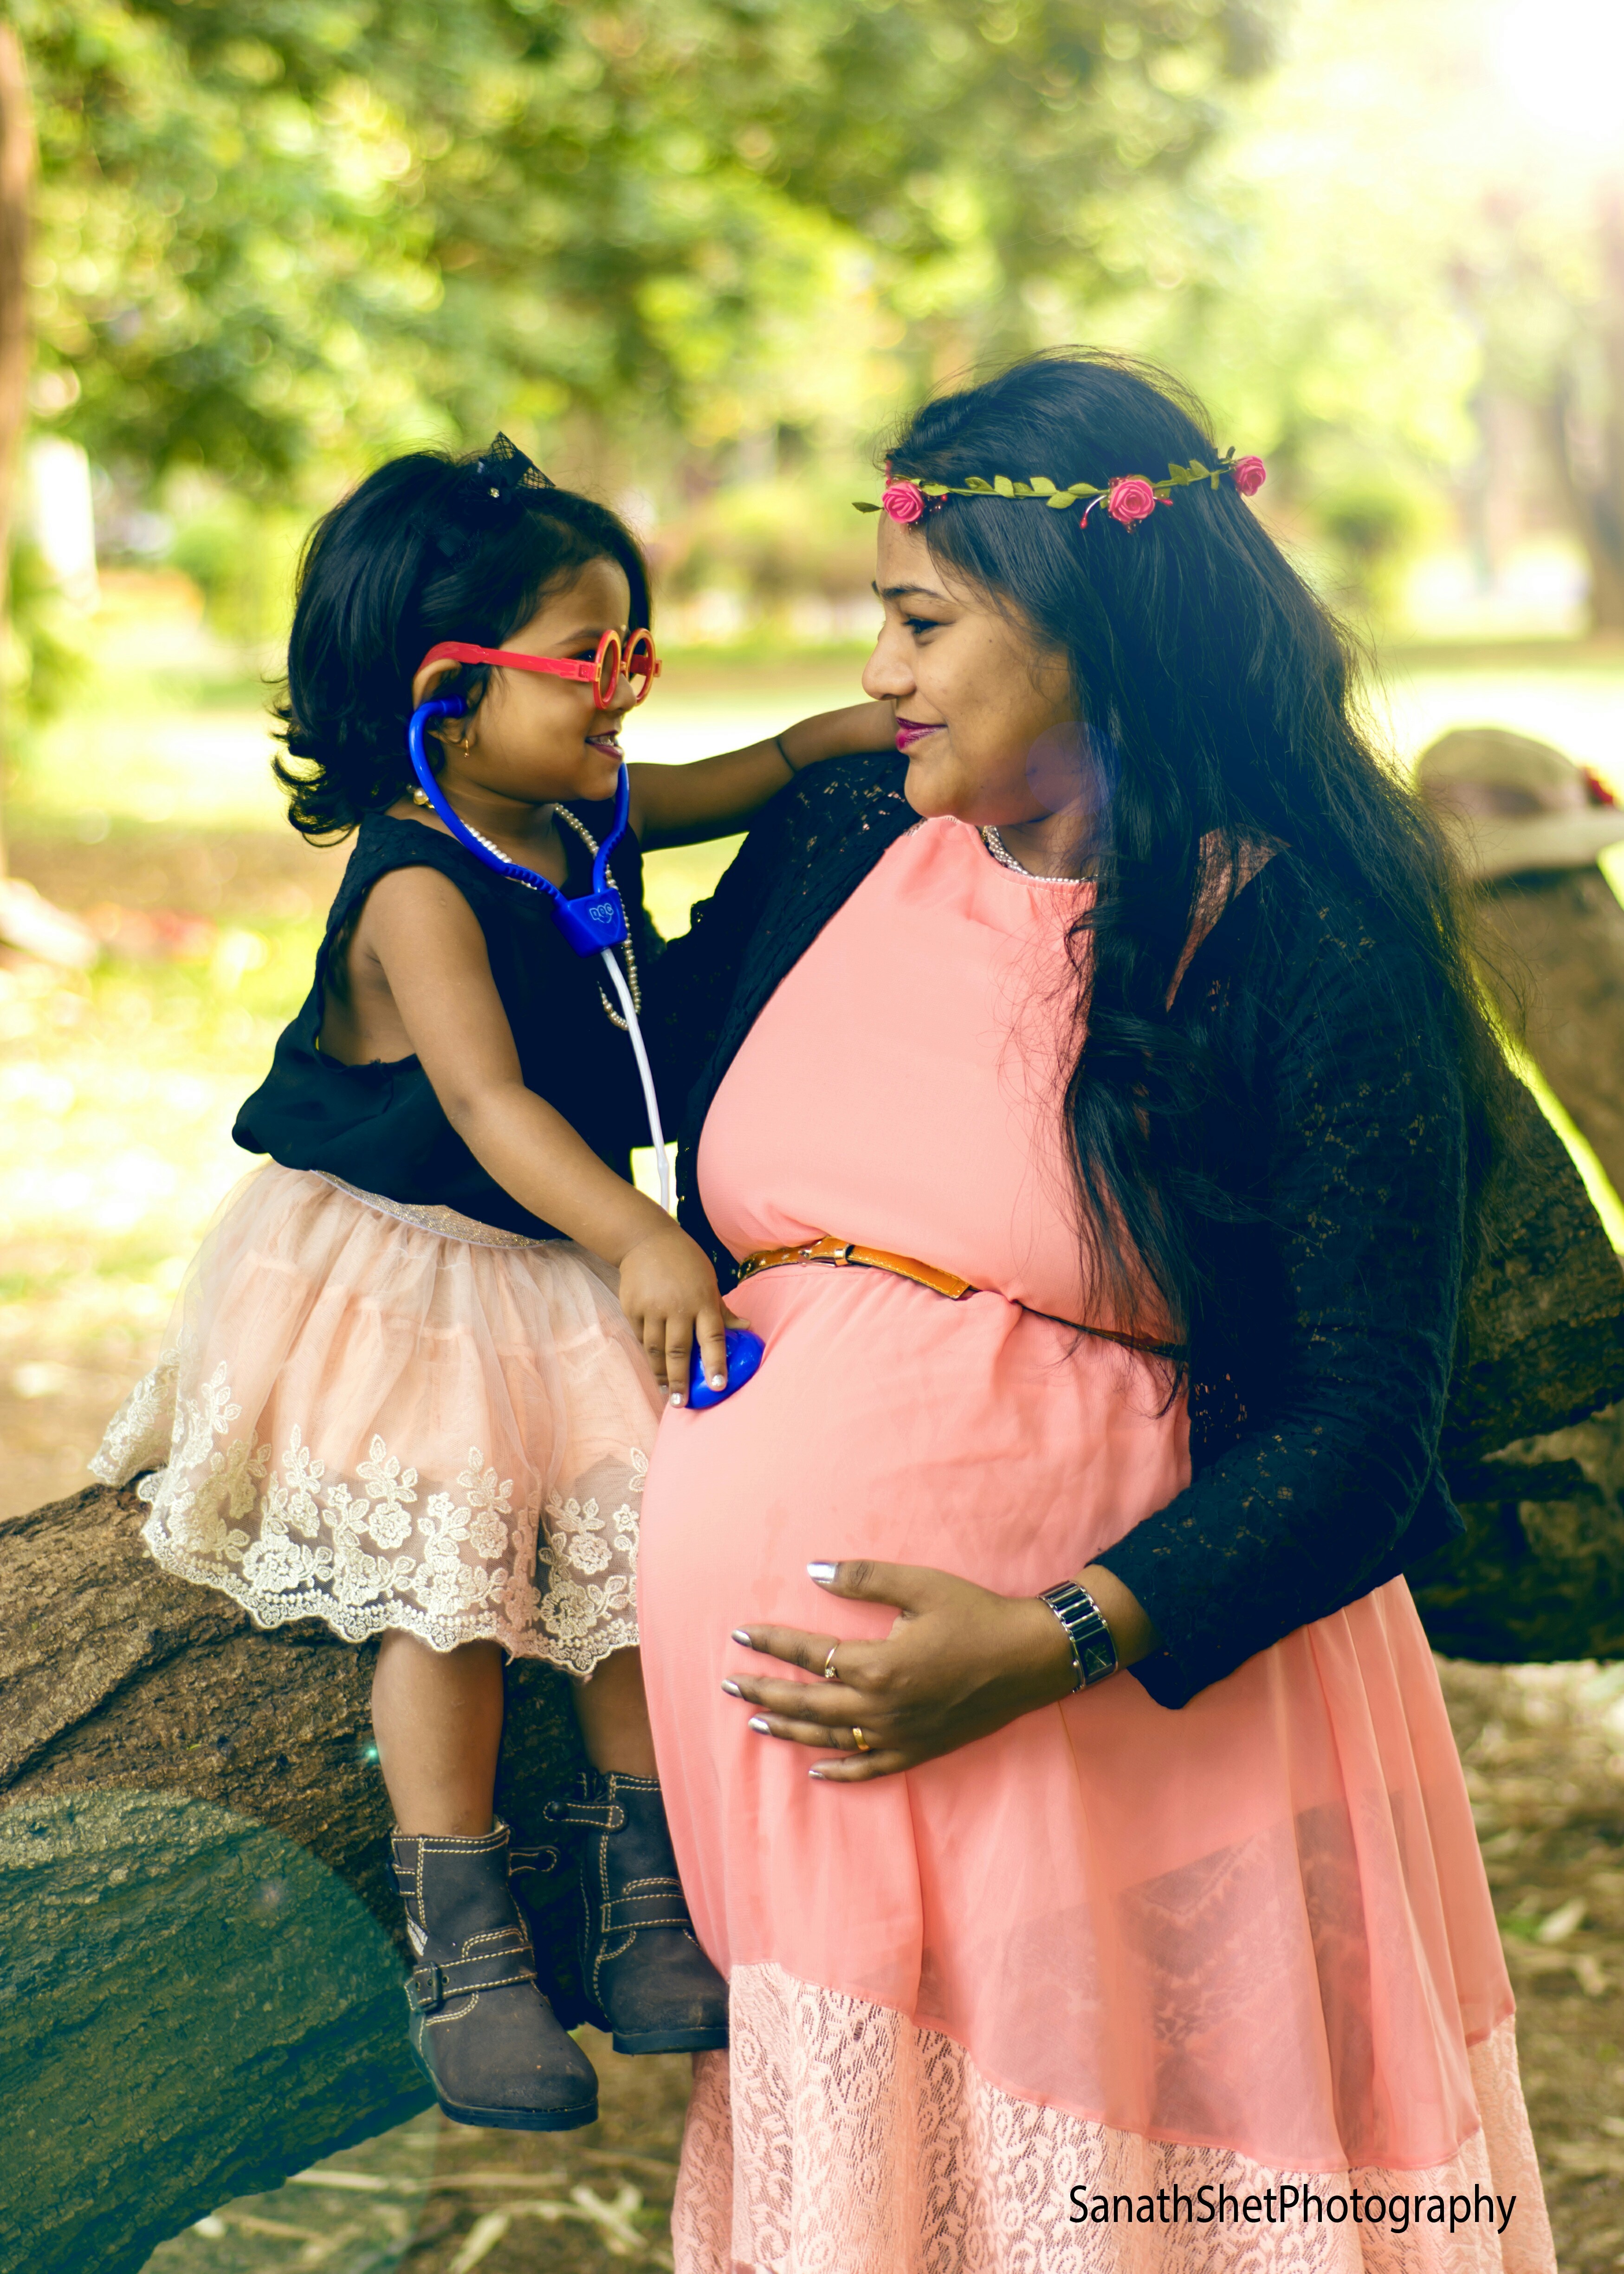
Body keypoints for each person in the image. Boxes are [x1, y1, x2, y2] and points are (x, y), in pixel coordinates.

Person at [640, 354, 1555, 2269]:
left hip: (1133, 1741)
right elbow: (602, 1066)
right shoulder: (843, 837)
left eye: (920, 623)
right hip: (814, 1812)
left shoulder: (1300, 934)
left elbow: (1362, 1426)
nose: (876, 672)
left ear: (1093, 627)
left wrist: (1049, 1635)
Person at [93, 435, 893, 2137]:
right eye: (589, 658)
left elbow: (745, 774)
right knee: (449, 1588)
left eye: (634, 649)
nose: (625, 689)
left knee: (638, 1549)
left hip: (552, 1247)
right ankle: (458, 1923)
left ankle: (636, 1877)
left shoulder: (569, 812)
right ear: (447, 695)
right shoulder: (414, 880)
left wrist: (850, 736)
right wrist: (640, 1237)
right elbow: (486, 1104)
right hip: (418, 1266)